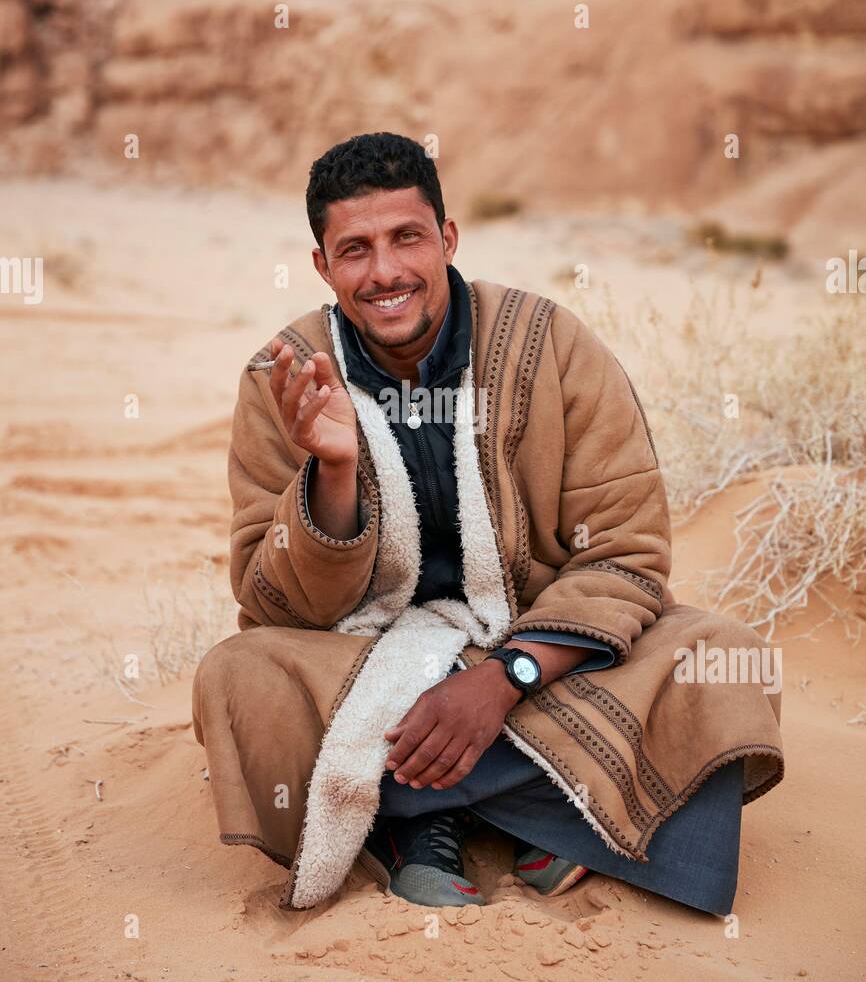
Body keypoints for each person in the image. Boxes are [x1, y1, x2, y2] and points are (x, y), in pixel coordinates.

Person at [192, 132, 784, 916]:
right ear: (323, 266)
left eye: (407, 237)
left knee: (724, 660)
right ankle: (559, 804)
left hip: (540, 649)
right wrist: (331, 473)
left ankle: (421, 811)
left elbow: (627, 552)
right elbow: (271, 604)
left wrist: (505, 680)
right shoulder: (286, 376)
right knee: (236, 679)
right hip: (369, 665)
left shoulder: (552, 344)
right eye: (355, 250)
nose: (386, 272)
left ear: (447, 237)